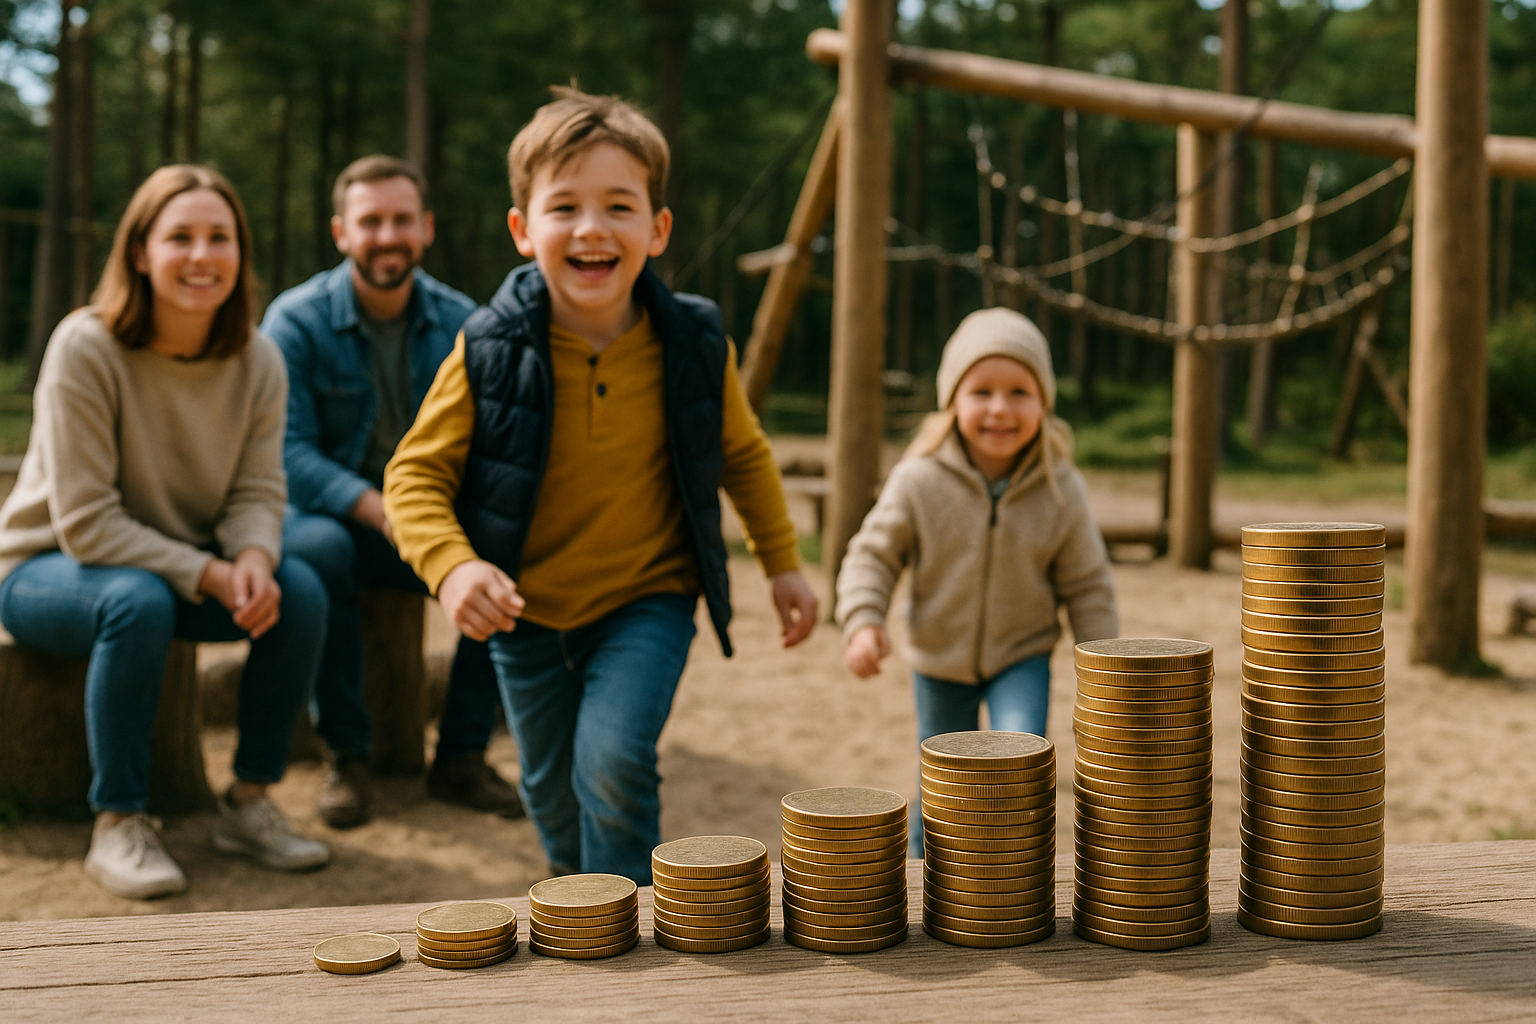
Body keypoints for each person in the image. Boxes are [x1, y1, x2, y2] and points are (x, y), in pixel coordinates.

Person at [382, 88, 820, 884]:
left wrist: (783, 562)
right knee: (550, 791)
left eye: (619, 206)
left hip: (646, 598)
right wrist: (454, 566)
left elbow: (744, 454)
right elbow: (414, 475)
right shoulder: (488, 348)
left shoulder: (691, 339)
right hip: (527, 610)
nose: (591, 228)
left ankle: (630, 917)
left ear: (656, 230)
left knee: (612, 761)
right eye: (565, 208)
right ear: (524, 231)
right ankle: (584, 905)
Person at [0, 165, 331, 899]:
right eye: (179, 236)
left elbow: (257, 489)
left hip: (173, 568)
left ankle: (246, 803)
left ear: (240, 255)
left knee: (299, 588)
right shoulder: (85, 346)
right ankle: (117, 820)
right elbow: (85, 524)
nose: (201, 255)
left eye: (220, 237)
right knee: (136, 599)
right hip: (48, 570)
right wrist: (211, 574)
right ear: (141, 252)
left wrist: (251, 555)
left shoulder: (258, 358)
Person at [261, 156, 522, 828]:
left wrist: (434, 524)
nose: (387, 235)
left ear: (426, 228)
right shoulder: (294, 321)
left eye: (401, 219)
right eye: (369, 221)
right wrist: (385, 511)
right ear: (340, 232)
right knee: (312, 553)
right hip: (340, 517)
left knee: (511, 542)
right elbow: (286, 451)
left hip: (433, 518)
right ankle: (348, 754)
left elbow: (493, 449)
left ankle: (462, 755)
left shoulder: (467, 321)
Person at [835, 307, 1119, 856]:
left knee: (1016, 761)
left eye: (1019, 392)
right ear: (952, 402)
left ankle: (1009, 874)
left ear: (1043, 403)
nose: (999, 409)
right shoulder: (919, 479)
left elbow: (1089, 585)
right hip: (939, 661)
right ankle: (925, 884)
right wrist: (863, 621)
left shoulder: (1061, 488)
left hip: (1022, 654)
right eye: (981, 391)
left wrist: (1104, 666)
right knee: (941, 787)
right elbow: (873, 555)